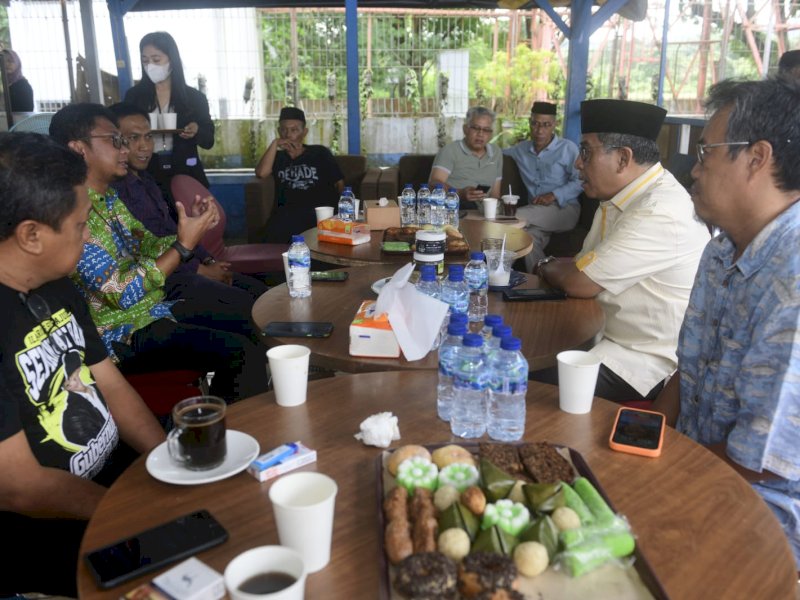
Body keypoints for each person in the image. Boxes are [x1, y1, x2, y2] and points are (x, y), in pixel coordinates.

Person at [0, 132, 165, 596]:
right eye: (80, 224)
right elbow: (20, 487)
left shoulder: (57, 285)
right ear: (31, 234)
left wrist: (169, 462)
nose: (89, 234)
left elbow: (109, 383)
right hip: (49, 533)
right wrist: (130, 511)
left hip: (116, 483)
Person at [653, 77, 800, 568]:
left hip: (766, 516)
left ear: (756, 158)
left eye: (705, 151)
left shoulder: (792, 283)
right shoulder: (721, 248)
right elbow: (689, 372)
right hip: (692, 464)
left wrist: (653, 470)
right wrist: (641, 432)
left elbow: (754, 461)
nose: (693, 169)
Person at [49, 103, 267, 403]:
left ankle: (238, 423)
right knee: (240, 353)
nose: (124, 149)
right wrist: (182, 246)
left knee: (252, 322)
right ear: (78, 149)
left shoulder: (109, 197)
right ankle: (227, 437)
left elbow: (146, 243)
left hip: (155, 309)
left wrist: (189, 230)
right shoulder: (70, 212)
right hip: (120, 334)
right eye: (115, 140)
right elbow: (120, 292)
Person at [536, 99, 709, 402]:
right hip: (599, 334)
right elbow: (581, 265)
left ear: (622, 159)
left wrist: (543, 265)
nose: (578, 163)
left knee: (526, 382)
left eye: (586, 151)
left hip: (638, 360)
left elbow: (580, 280)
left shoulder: (660, 209)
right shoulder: (621, 196)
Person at [109, 102, 268, 340]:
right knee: (251, 311)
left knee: (264, 296)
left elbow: (172, 232)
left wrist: (209, 259)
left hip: (187, 268)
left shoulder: (147, 182)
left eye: (149, 136)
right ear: (116, 143)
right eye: (133, 138)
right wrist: (201, 270)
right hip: (166, 284)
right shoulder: (115, 194)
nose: (144, 146)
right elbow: (147, 251)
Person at [123, 31, 214, 189]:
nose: (150, 66)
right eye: (145, 61)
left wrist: (196, 130)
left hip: (185, 171)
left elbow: (208, 140)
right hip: (146, 171)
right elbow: (123, 131)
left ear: (172, 60)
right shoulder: (134, 96)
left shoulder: (194, 98)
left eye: (156, 60)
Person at [503, 101, 583, 270]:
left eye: (546, 125)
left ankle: (495, 271)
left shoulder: (567, 149)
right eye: (535, 124)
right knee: (528, 239)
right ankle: (542, 283)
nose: (539, 130)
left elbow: (581, 180)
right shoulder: (521, 150)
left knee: (510, 216)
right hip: (537, 214)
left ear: (554, 125)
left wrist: (554, 195)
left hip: (564, 210)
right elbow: (495, 154)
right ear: (530, 123)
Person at [255, 106, 344, 242]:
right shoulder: (277, 157)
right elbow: (261, 173)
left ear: (304, 132)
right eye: (284, 130)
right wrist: (274, 143)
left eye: (294, 130)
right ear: (279, 131)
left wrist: (340, 214)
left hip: (318, 215)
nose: (288, 134)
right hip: (285, 217)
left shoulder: (320, 153)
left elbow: (339, 184)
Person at [429, 106, 503, 208]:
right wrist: (460, 194)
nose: (480, 134)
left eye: (486, 130)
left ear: (491, 134)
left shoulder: (496, 153)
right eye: (476, 128)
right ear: (465, 129)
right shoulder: (450, 150)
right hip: (454, 210)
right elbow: (433, 184)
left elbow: (495, 195)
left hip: (483, 213)